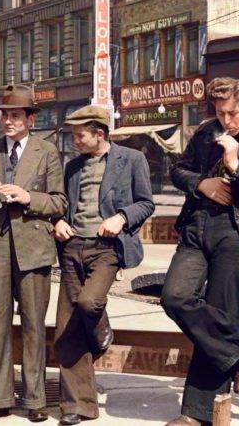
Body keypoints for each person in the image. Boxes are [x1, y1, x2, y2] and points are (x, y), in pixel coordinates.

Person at [161, 77, 239, 426]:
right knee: (175, 297)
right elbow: (178, 170)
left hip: (235, 231)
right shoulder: (204, 133)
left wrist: (235, 166)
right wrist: (202, 184)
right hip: (196, 227)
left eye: (232, 113)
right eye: (220, 112)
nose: (226, 121)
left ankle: (196, 415)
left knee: (216, 315)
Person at [0, 85, 67, 423]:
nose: (7, 121)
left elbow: (59, 202)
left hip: (33, 249)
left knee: (35, 326)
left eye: (14, 115)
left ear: (30, 119)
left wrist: (28, 198)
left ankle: (35, 399)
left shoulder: (47, 152)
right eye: (3, 115)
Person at [53, 105, 155, 425]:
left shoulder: (132, 160)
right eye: (73, 135)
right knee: (67, 330)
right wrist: (58, 220)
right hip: (72, 248)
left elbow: (146, 203)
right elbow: (63, 204)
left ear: (99, 133)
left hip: (106, 249)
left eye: (80, 135)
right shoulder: (72, 167)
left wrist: (122, 217)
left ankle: (102, 332)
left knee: (90, 302)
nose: (75, 141)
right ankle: (77, 406)